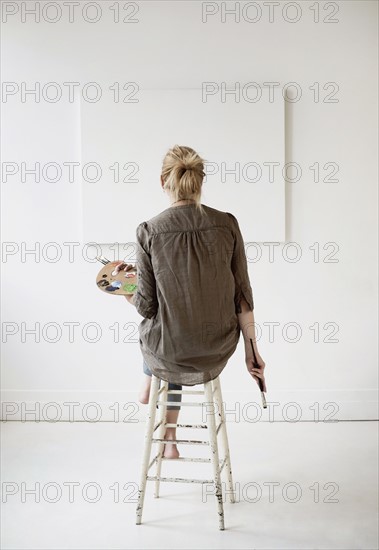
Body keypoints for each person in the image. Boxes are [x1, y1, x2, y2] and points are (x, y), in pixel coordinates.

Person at [115, 145, 267, 459]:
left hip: (171, 350)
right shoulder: (227, 224)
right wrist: (253, 352)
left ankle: (152, 389)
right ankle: (168, 431)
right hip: (218, 346)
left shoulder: (149, 230)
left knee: (164, 333)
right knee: (178, 324)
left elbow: (146, 306)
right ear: (200, 181)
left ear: (162, 181)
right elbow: (243, 296)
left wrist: (123, 288)